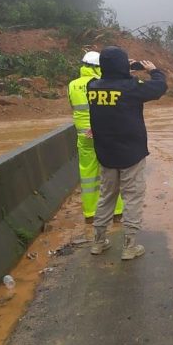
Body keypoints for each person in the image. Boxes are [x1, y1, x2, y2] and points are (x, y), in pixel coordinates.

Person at [87, 47, 167, 259]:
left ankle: (98, 241)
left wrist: (122, 69)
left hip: (105, 152)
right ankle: (129, 245)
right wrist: (154, 70)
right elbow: (159, 88)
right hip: (131, 153)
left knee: (106, 196)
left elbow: (112, 85)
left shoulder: (92, 86)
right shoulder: (132, 87)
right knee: (132, 198)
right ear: (123, 65)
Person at [67, 52, 123, 237]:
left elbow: (74, 108)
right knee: (112, 172)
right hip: (103, 132)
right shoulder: (102, 83)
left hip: (84, 135)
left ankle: (90, 214)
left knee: (88, 175)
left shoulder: (72, 85)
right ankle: (116, 213)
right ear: (97, 67)